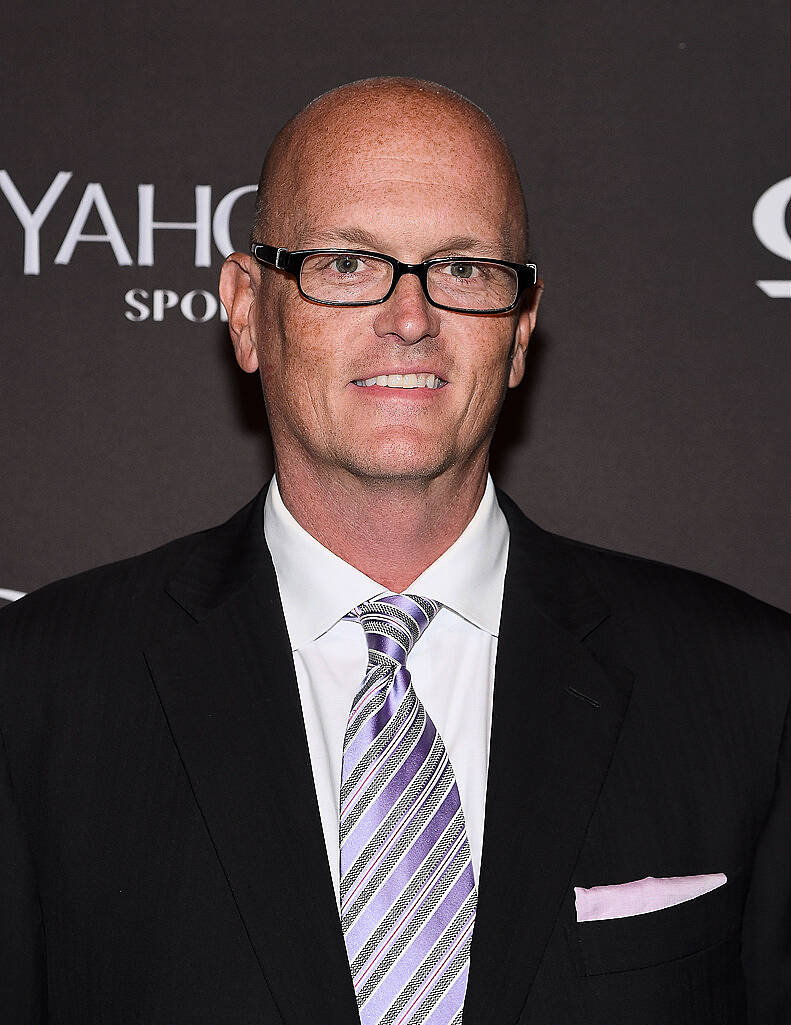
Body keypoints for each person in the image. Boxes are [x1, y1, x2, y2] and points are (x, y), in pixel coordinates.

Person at [0, 77, 788, 1025]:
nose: (410, 315)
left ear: (522, 328)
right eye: (346, 261)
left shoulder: (748, 690)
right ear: (247, 310)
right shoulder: (38, 692)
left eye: (462, 269)